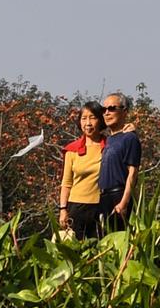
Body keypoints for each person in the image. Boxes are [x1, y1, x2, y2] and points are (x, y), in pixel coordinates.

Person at [59, 101, 107, 240]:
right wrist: (63, 210)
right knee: (74, 250)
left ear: (101, 120)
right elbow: (66, 183)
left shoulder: (110, 147)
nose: (88, 123)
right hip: (76, 208)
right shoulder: (72, 150)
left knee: (100, 249)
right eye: (84, 118)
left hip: (101, 207)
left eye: (92, 118)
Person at [98, 92, 141, 232]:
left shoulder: (129, 138)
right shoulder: (106, 139)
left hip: (119, 196)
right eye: (103, 110)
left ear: (124, 111)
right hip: (102, 198)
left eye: (112, 108)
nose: (107, 113)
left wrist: (124, 203)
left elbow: (133, 173)